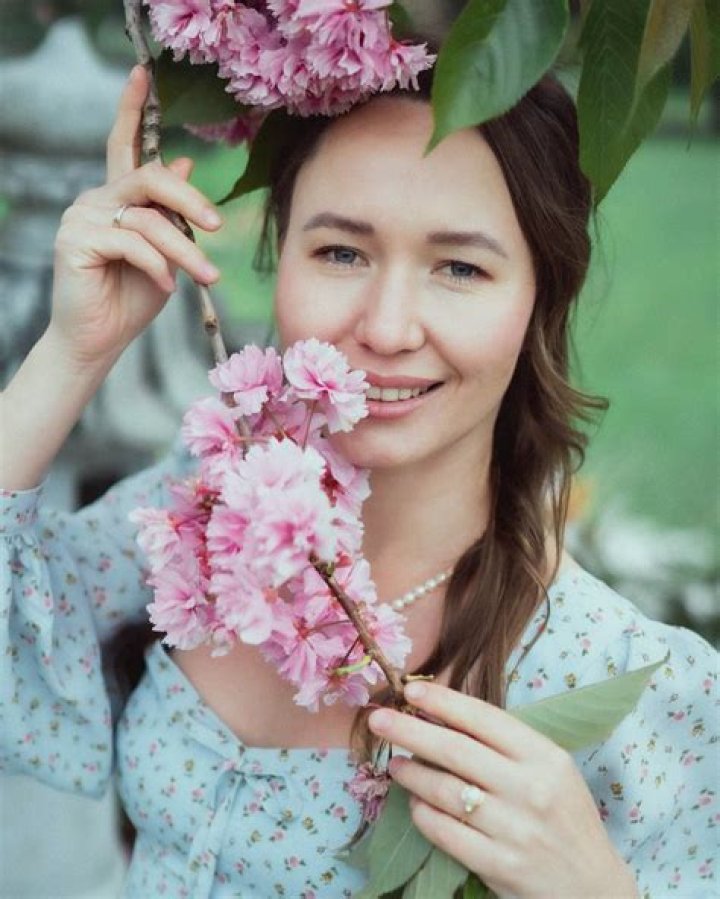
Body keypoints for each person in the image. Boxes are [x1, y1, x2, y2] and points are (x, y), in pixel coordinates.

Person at [0, 64, 716, 899]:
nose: (384, 327)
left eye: (460, 268)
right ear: (278, 254)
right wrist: (71, 354)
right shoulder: (204, 512)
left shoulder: (619, 679)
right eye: (341, 251)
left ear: (540, 299)